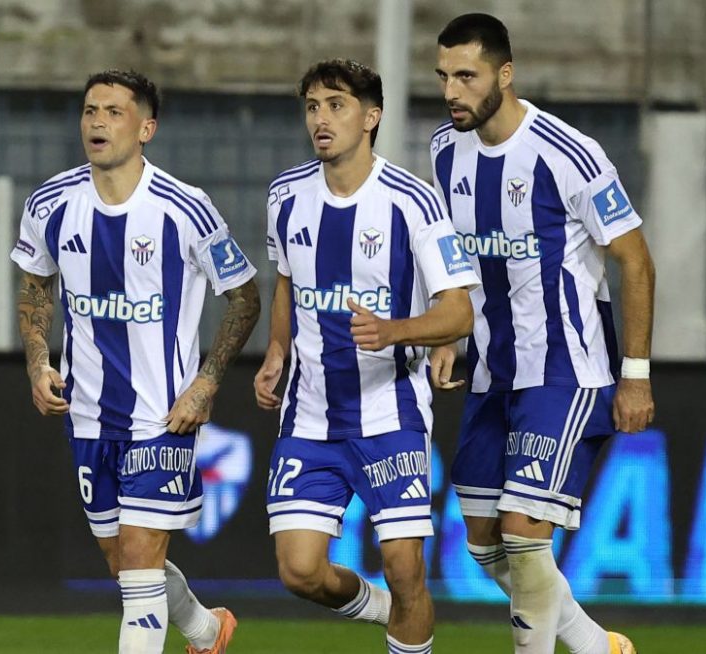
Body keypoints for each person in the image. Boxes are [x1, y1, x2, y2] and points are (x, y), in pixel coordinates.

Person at [428, 14, 656, 654]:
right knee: (483, 542)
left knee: (523, 533)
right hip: (492, 371)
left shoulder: (568, 153)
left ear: (505, 74)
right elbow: (454, 258)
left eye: (467, 76)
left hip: (566, 370)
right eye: (443, 77)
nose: (452, 92)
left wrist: (635, 377)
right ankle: (597, 647)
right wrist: (446, 335)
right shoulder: (444, 152)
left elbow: (635, 260)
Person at [12, 69, 260, 654]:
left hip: (162, 417)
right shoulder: (50, 203)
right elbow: (36, 286)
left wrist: (206, 383)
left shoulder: (186, 208)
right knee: (122, 562)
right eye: (89, 110)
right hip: (88, 416)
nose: (96, 121)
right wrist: (37, 363)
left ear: (146, 128)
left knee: (142, 564)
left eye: (113, 112)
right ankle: (206, 629)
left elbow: (245, 297)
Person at [253, 59, 479, 654]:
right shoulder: (285, 196)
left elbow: (460, 312)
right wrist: (277, 347)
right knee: (299, 571)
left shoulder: (415, 201)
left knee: (406, 570)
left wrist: (395, 331)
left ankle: (401, 606)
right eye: (312, 107)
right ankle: (384, 610)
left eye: (336, 105)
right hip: (309, 417)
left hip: (388, 415)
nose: (320, 120)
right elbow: (286, 281)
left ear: (371, 117)